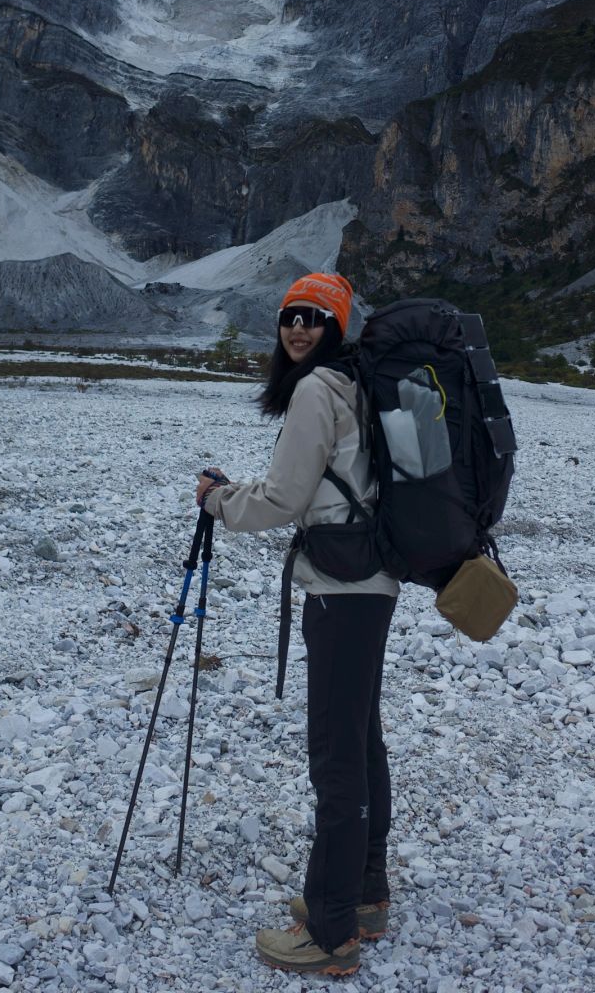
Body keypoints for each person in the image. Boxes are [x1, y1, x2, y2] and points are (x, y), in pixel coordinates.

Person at [195, 272, 399, 978]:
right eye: (291, 317)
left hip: (339, 590)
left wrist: (220, 501)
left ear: (336, 326)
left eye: (315, 318)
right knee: (361, 738)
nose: (299, 329)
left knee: (337, 758)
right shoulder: (359, 383)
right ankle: (365, 897)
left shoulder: (317, 389)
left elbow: (283, 497)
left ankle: (332, 931)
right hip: (373, 581)